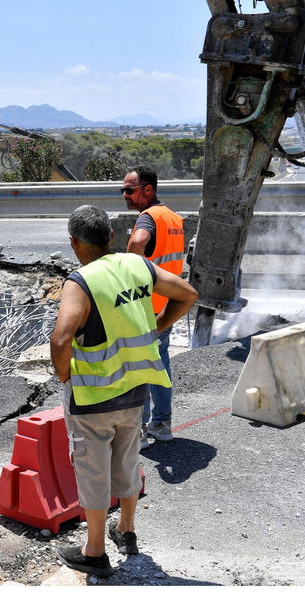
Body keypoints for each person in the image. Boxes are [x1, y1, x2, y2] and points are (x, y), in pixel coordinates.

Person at [50, 205, 197, 577]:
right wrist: (158, 327)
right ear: (110, 236)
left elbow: (62, 337)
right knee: (128, 462)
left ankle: (95, 551)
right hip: (135, 391)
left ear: (73, 242)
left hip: (93, 398)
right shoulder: (136, 266)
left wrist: (65, 375)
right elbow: (187, 293)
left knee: (94, 472)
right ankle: (126, 530)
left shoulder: (80, 281)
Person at [122, 165, 185, 447]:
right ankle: (162, 424)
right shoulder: (174, 218)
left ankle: (139, 432)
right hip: (166, 307)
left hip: (144, 308)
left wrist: (127, 271)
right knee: (160, 364)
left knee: (138, 367)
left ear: (148, 189)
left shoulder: (148, 218)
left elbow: (138, 243)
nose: (125, 195)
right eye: (123, 190)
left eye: (130, 190)